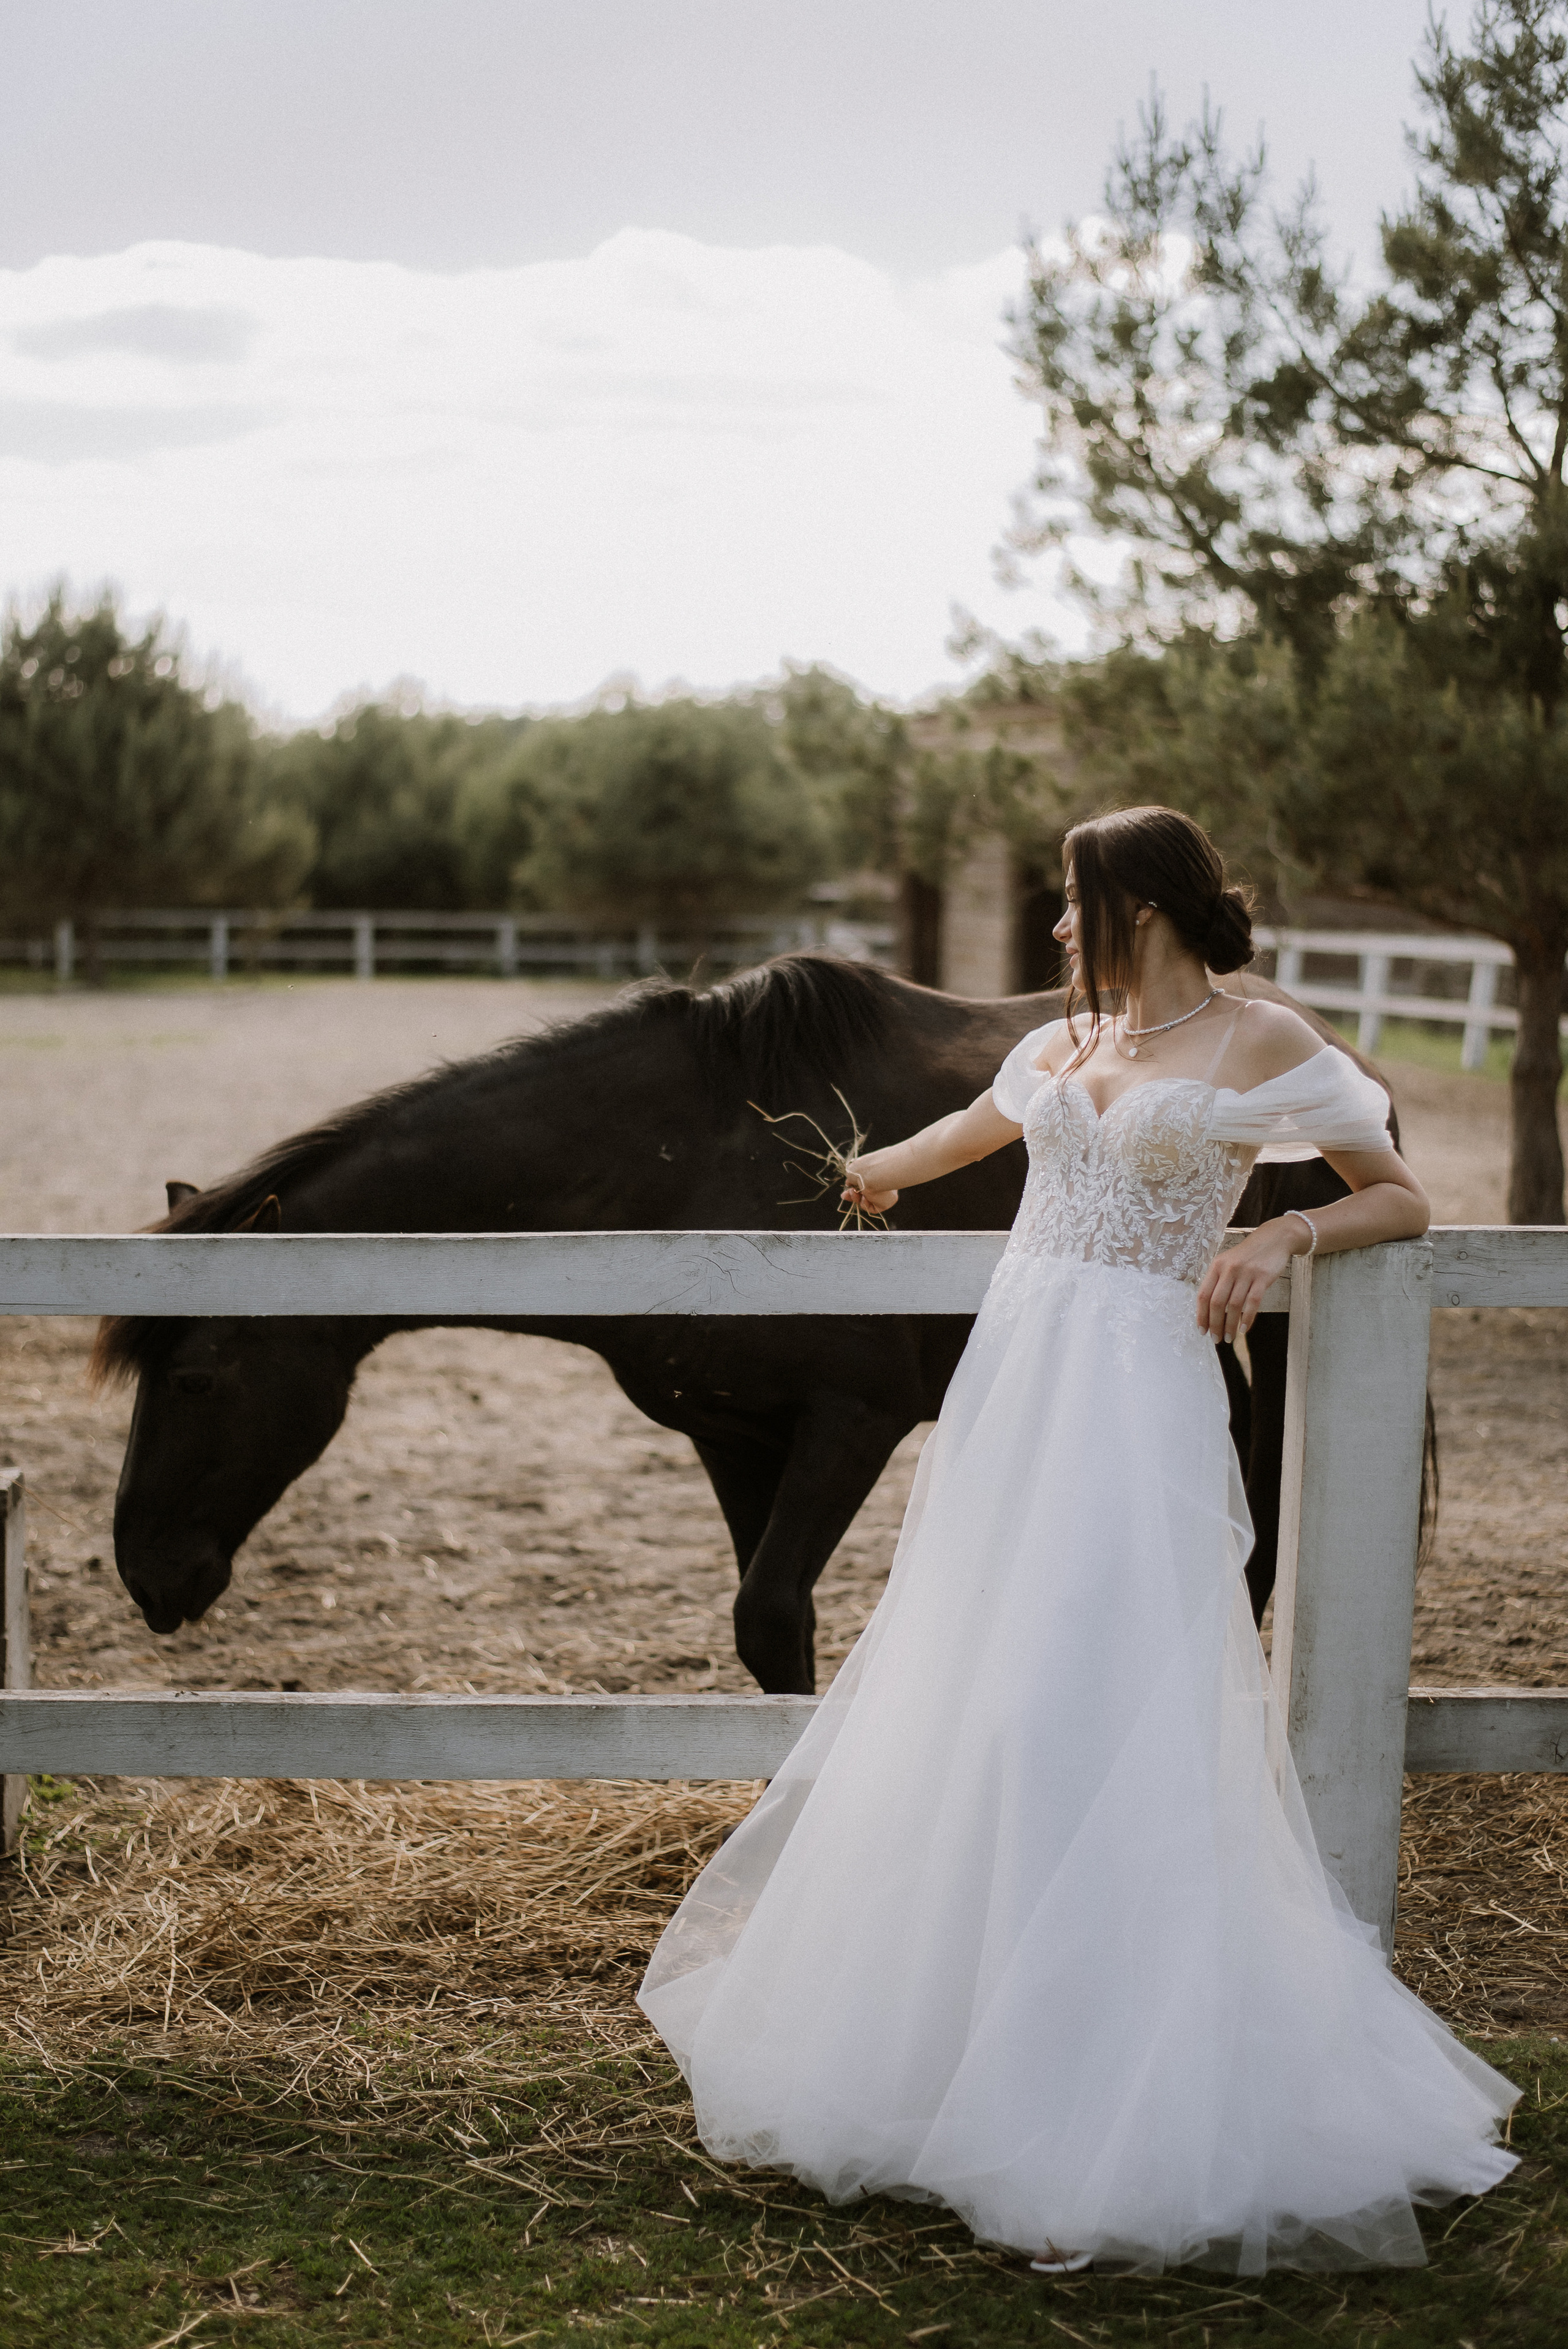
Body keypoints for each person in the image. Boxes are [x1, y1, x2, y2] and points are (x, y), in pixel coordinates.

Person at [639, 805, 1518, 2275]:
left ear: (1146, 904)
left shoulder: (1259, 1046)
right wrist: (864, 1170)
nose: (1055, 931)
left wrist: (1273, 1237)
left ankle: (1106, 2065)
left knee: (1102, 1698)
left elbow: (1397, 1192)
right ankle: (956, 2041)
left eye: (1073, 903)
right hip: (1015, 1396)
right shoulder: (1060, 1048)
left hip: (1137, 1406)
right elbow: (953, 1139)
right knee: (981, 1691)